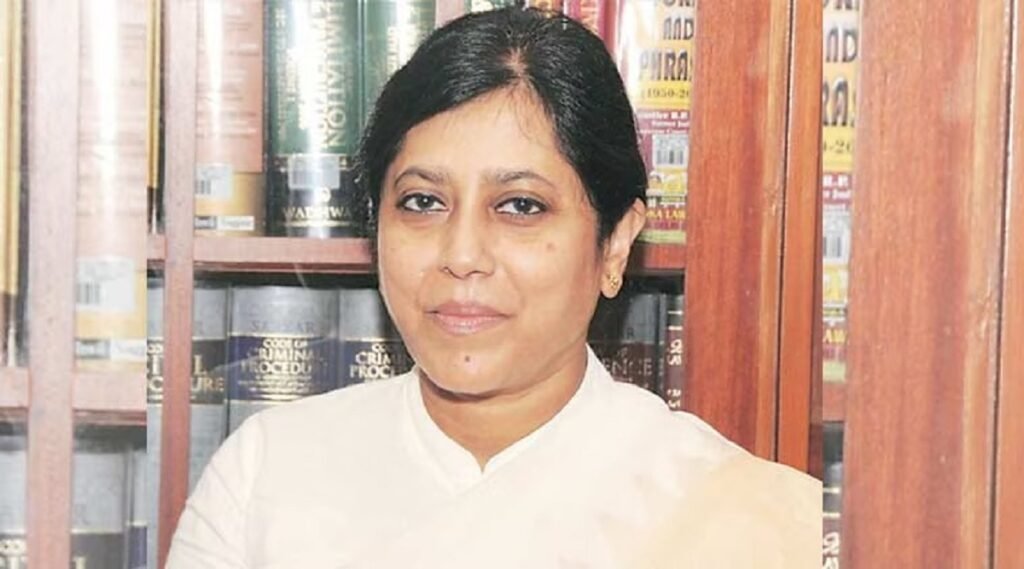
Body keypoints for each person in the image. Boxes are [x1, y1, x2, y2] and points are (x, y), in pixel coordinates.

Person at [167, 7, 819, 568]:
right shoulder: (269, 474)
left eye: (521, 206)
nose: (462, 256)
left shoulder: (741, 517)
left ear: (615, 242)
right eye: (422, 202)